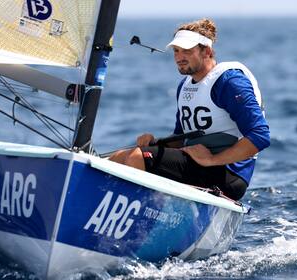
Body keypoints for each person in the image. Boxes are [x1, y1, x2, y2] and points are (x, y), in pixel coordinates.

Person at [109, 18, 270, 201]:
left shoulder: (229, 82)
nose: (179, 57)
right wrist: (154, 143)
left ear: (206, 51)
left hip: (229, 173)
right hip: (196, 164)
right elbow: (181, 137)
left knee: (137, 158)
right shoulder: (185, 86)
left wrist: (211, 160)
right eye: (176, 51)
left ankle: (136, 222)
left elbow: (260, 135)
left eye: (187, 50)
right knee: (117, 158)